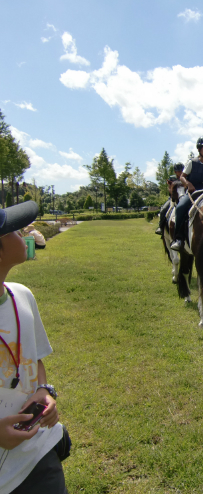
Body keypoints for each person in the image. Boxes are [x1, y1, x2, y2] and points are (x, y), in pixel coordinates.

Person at [0, 201, 69, 493]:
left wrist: (44, 390)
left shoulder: (22, 296)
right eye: (14, 230)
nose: (24, 234)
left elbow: (34, 360)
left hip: (36, 454)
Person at [170, 138, 203, 251]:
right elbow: (182, 176)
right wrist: (188, 184)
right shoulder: (192, 162)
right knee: (180, 208)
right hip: (193, 193)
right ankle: (178, 239)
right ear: (199, 149)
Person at [155, 162, 185, 235]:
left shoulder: (186, 178)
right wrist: (172, 194)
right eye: (179, 171)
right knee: (163, 209)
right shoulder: (172, 178)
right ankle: (161, 227)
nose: (181, 172)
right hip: (174, 197)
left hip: (184, 196)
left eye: (182, 170)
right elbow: (169, 188)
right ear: (175, 172)